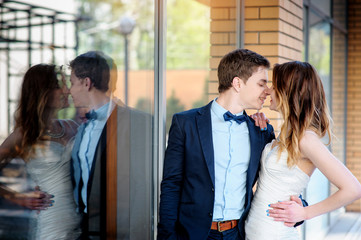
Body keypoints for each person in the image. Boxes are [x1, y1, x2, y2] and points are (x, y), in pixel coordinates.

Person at [157, 49, 304, 240]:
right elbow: (171, 184)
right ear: (237, 83)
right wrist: (167, 236)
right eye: (261, 84)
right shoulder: (185, 123)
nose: (267, 91)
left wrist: (301, 209)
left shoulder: (262, 131)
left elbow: (278, 177)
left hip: (239, 233)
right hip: (192, 233)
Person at [245, 61, 361, 240]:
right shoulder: (288, 133)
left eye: (275, 87)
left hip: (275, 233)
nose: (268, 91)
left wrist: (305, 213)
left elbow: (353, 189)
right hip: (256, 230)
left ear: (288, 93)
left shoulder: (306, 139)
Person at [69, 51, 152, 239]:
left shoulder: (137, 122)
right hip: (85, 230)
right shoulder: (83, 127)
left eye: (72, 83)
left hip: (121, 231)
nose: (69, 90)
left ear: (86, 83)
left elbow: (144, 186)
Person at [0, 64, 82, 239]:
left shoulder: (74, 126)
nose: (67, 91)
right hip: (51, 225)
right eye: (60, 86)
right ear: (43, 91)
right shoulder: (24, 134)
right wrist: (19, 198)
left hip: (85, 223)